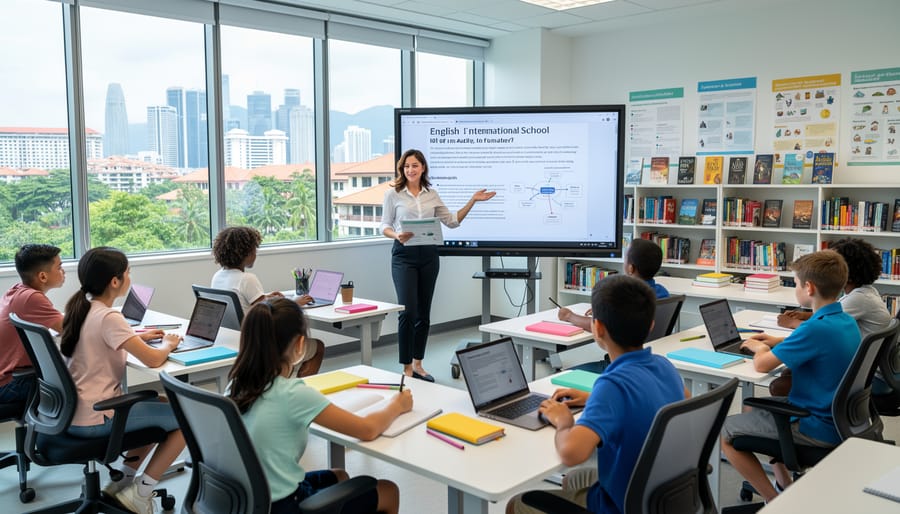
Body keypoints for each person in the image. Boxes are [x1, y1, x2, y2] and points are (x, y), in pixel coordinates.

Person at [506, 275, 685, 514]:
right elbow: (678, 403)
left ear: (597, 328)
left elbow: (571, 453)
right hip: (661, 494)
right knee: (576, 479)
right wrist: (593, 399)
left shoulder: (612, 385)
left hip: (622, 505)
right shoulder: (665, 366)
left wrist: (563, 421)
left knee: (517, 504)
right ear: (651, 325)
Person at [227, 298, 412, 514]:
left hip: (247, 499)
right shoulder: (292, 393)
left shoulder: (236, 385)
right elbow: (368, 430)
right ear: (300, 344)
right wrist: (397, 405)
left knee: (340, 476)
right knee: (388, 491)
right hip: (283, 505)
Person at [721, 250, 860, 503]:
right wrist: (778, 341)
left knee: (725, 433)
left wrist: (760, 347)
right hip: (840, 419)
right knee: (753, 407)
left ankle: (775, 502)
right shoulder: (844, 321)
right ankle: (784, 484)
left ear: (809, 287)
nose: (795, 289)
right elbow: (813, 341)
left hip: (815, 425)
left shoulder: (814, 328)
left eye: (795, 284)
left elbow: (762, 365)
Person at [60, 247, 186, 514]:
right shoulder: (109, 317)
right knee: (187, 417)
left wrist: (136, 337)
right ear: (115, 281)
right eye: (128, 272)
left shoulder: (82, 309)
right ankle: (141, 493)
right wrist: (168, 343)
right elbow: (153, 360)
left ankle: (121, 483)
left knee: (161, 403)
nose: (130, 276)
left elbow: (101, 339)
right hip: (96, 419)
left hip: (72, 414)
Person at [381, 149, 495, 382]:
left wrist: (472, 201)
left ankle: (418, 364)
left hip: (429, 256)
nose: (410, 170)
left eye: (414, 165)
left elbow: (452, 221)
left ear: (423, 167)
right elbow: (384, 225)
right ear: (402, 169)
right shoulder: (393, 194)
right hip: (403, 256)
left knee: (423, 313)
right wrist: (396, 235)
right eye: (406, 166)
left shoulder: (432, 194)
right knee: (408, 312)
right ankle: (406, 368)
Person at [770, 238, 892, 396]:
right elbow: (830, 315)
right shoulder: (865, 291)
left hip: (868, 377)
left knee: (784, 379)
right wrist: (805, 315)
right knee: (791, 370)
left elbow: (824, 327)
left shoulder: (858, 299)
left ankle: (804, 407)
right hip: (870, 369)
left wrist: (792, 322)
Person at [211, 225, 324, 376]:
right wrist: (294, 302)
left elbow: (248, 302)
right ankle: (297, 386)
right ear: (246, 253)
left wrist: (266, 297)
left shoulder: (218, 276)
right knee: (318, 347)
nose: (255, 254)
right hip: (262, 342)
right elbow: (268, 313)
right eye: (254, 250)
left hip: (235, 338)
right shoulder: (247, 279)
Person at [0, 244, 66, 404]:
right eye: (59, 267)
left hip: (9, 378)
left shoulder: (17, 290)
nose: (63, 272)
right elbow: (70, 329)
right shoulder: (31, 298)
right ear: (43, 276)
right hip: (10, 384)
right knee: (80, 380)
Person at [558, 238, 670, 332]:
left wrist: (569, 316)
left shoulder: (625, 297)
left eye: (625, 258)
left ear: (630, 268)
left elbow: (599, 326)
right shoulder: (663, 292)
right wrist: (606, 310)